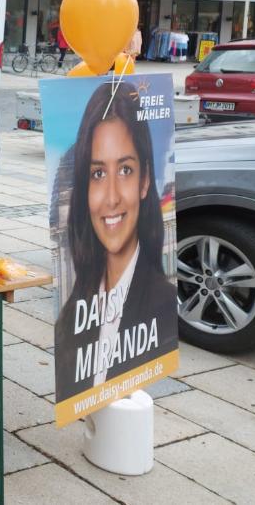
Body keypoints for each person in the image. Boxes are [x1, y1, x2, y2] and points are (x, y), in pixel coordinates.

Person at [54, 82, 178, 400]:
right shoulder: (71, 317)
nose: (111, 198)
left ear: (145, 179)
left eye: (125, 169)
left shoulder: (163, 305)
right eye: (97, 174)